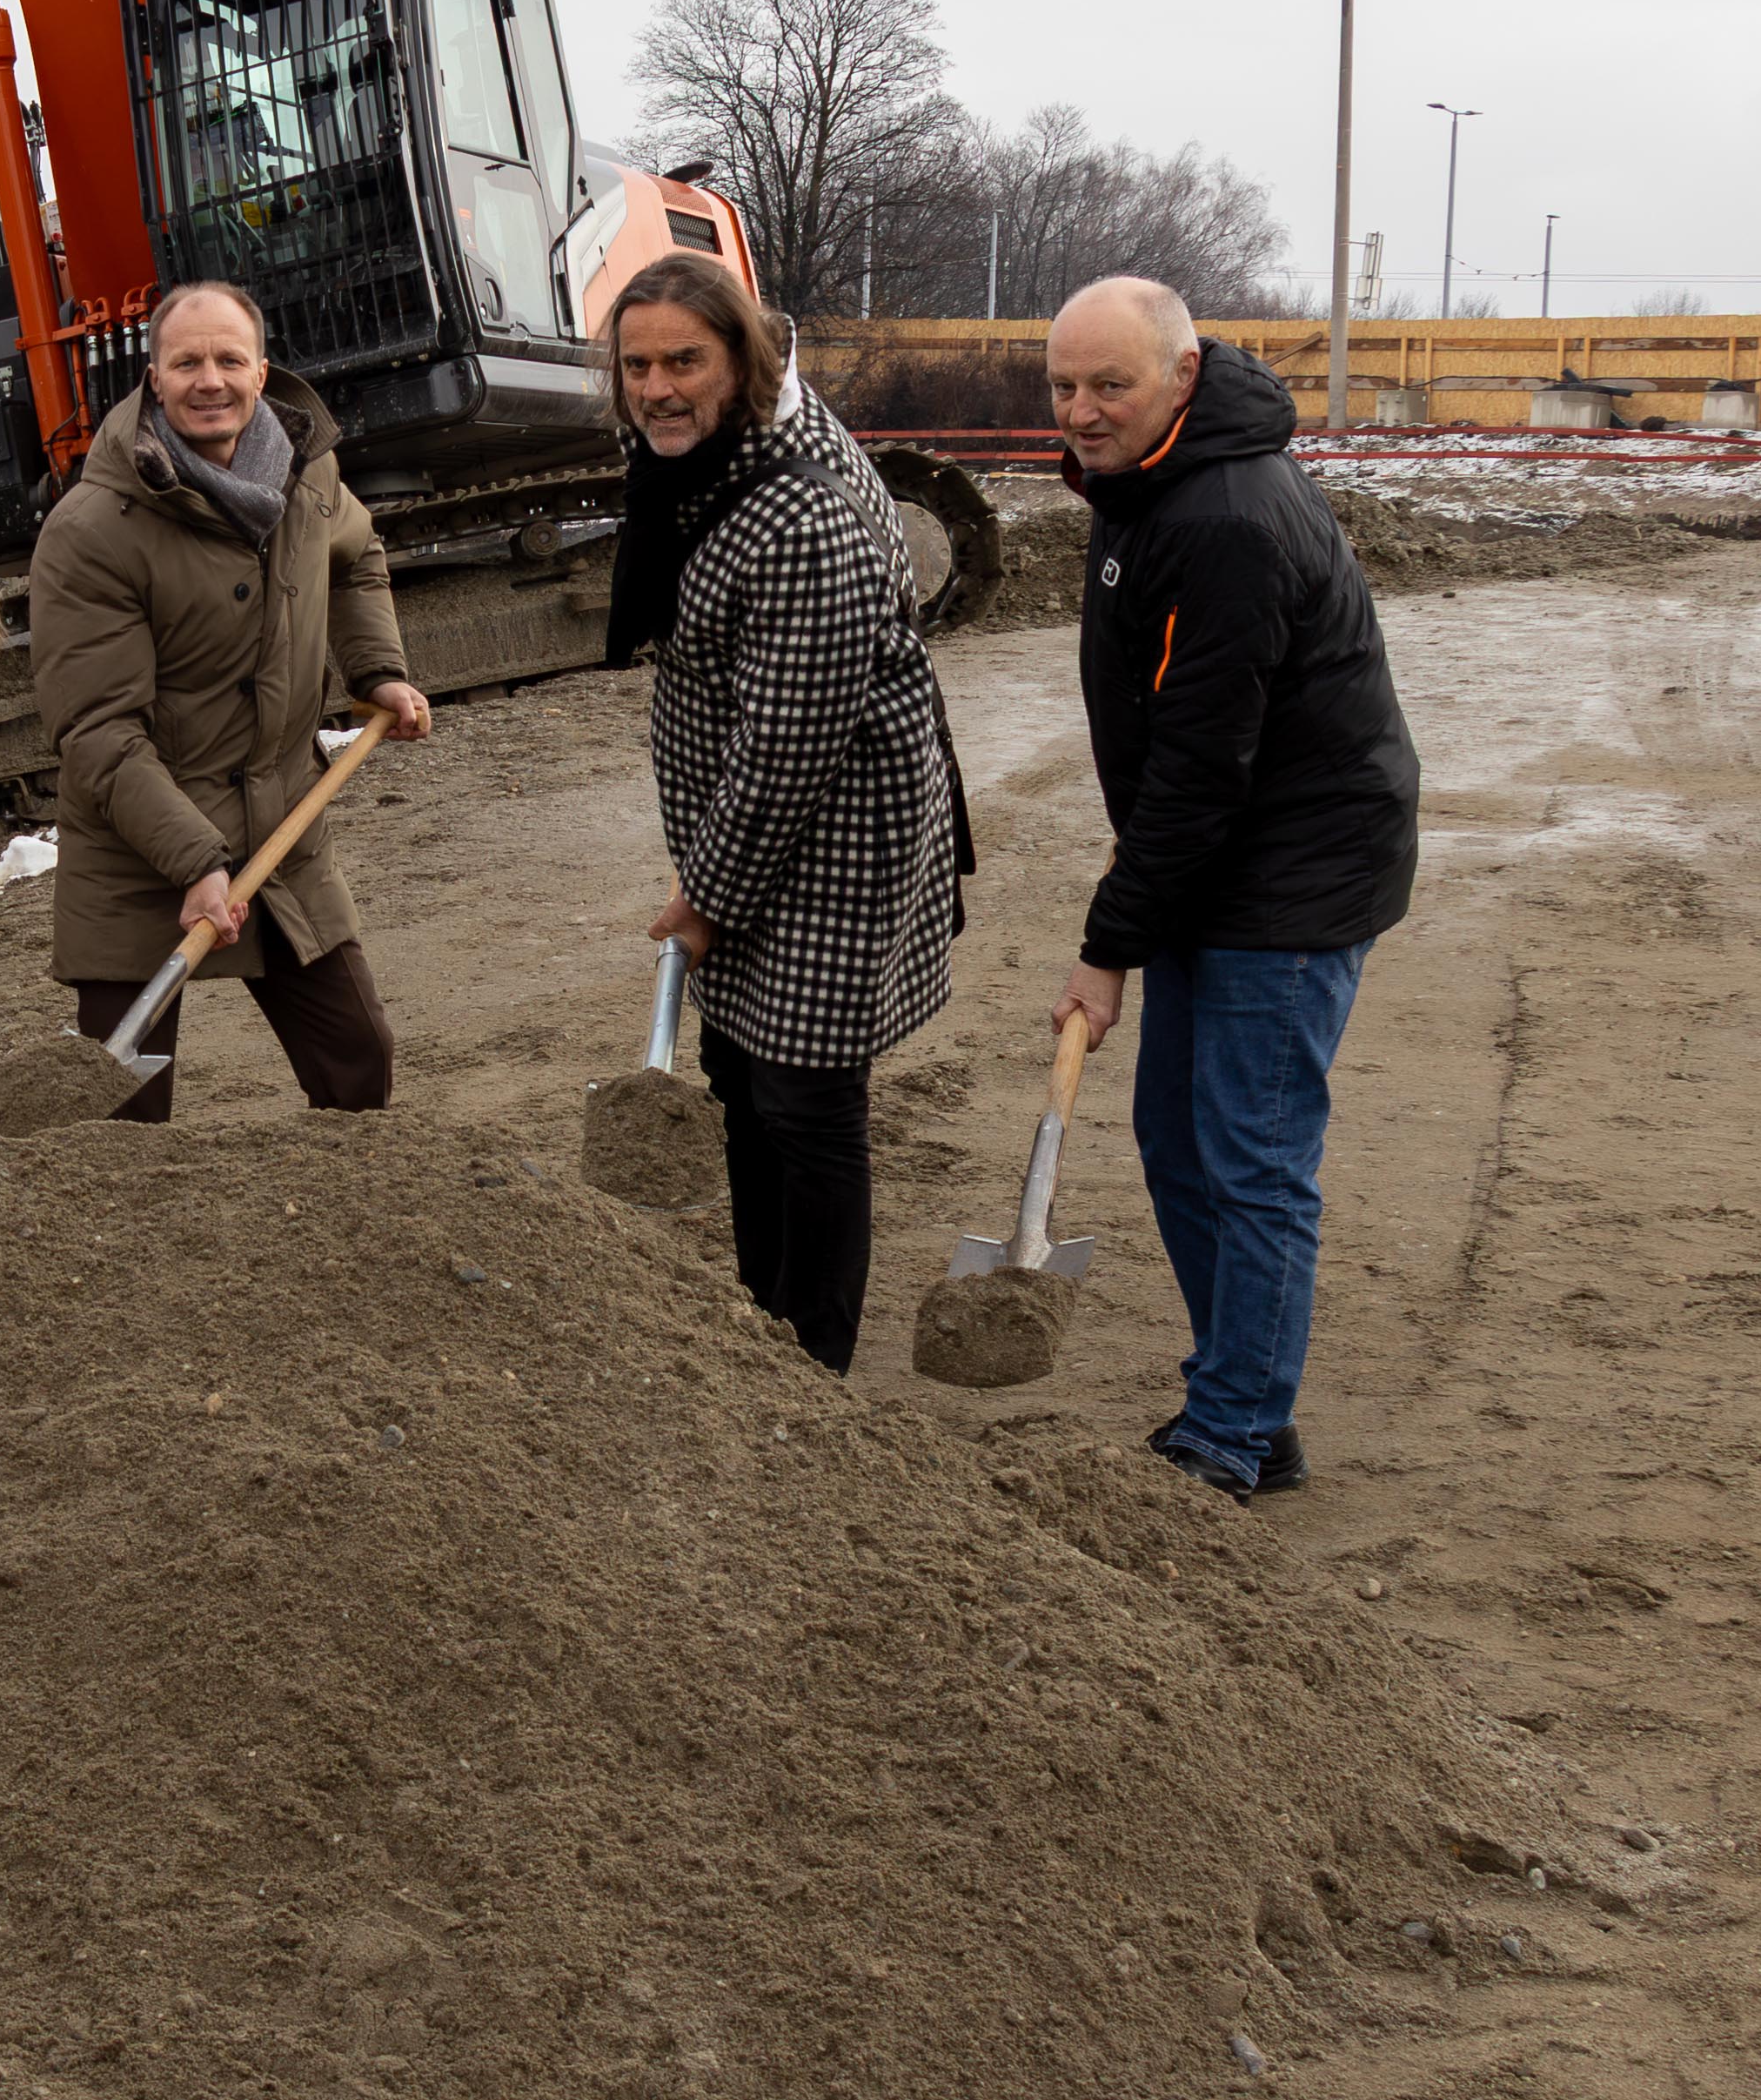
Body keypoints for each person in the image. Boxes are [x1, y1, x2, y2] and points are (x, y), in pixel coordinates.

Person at [1047, 276, 1421, 1500]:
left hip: (1292, 870)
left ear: (1182, 375)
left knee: (1250, 1156)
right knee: (1175, 1138)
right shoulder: (1140, 483)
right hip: (1219, 848)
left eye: (1111, 384)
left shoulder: (1221, 516)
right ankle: (1247, 1403)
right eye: (1063, 386)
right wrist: (1137, 882)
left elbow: (1203, 763)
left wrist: (1107, 944)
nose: (1083, 412)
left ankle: (1228, 1435)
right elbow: (1172, 746)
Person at [609, 252, 969, 1375]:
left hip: (828, 845)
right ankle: (765, 1318)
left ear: (744, 364)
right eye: (636, 365)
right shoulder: (717, 463)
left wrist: (707, 897)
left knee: (805, 1101)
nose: (658, 387)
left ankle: (813, 1359)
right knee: (744, 1078)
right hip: (760, 834)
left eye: (685, 360)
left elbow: (787, 747)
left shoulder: (799, 511)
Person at [30, 278, 433, 1118]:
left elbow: (356, 558)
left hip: (281, 827)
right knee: (120, 1109)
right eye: (186, 362)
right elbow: (98, 731)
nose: (208, 380)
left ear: (261, 371)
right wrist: (196, 861)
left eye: (227, 359)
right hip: (141, 848)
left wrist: (376, 670)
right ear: (152, 377)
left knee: (358, 1063)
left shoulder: (305, 476)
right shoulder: (91, 529)